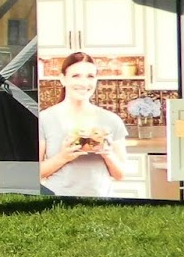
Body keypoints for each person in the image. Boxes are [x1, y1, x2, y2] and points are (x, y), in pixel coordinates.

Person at [39, 51, 128, 197]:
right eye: (76, 76)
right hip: (57, 201)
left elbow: (120, 175)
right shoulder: (44, 119)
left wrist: (107, 154)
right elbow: (35, 174)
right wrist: (63, 156)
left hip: (100, 202)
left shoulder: (111, 120)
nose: (84, 83)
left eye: (90, 76)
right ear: (63, 79)